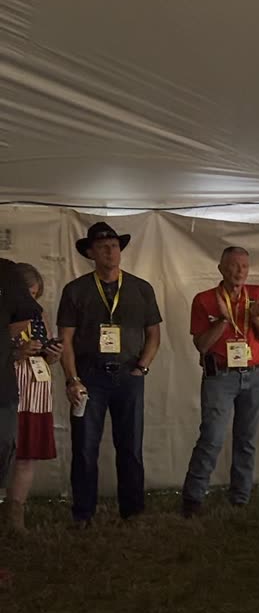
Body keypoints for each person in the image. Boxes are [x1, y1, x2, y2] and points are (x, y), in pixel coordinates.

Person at [58, 222, 163, 525]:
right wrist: (72, 378)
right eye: (102, 246)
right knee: (85, 447)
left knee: (130, 446)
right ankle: (83, 513)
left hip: (129, 376)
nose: (110, 250)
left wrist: (142, 367)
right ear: (90, 252)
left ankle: (133, 511)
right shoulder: (76, 290)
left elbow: (153, 335)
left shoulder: (141, 288)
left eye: (114, 245)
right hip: (90, 377)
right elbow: (65, 338)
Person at [181, 246, 259, 516]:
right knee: (212, 437)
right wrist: (222, 321)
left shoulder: (258, 295)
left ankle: (241, 496)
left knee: (246, 439)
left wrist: (256, 316)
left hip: (255, 373)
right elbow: (201, 345)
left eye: (245, 266)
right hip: (220, 375)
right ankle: (193, 498)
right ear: (221, 268)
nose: (240, 271)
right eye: (234, 266)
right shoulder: (205, 299)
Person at [7, 264, 56, 533]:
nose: (32, 300)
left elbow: (46, 352)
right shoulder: (6, 314)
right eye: (28, 293)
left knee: (28, 454)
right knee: (6, 448)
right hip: (9, 387)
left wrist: (52, 355)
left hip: (36, 389)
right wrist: (18, 352)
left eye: (36, 294)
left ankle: (15, 515)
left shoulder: (39, 315)